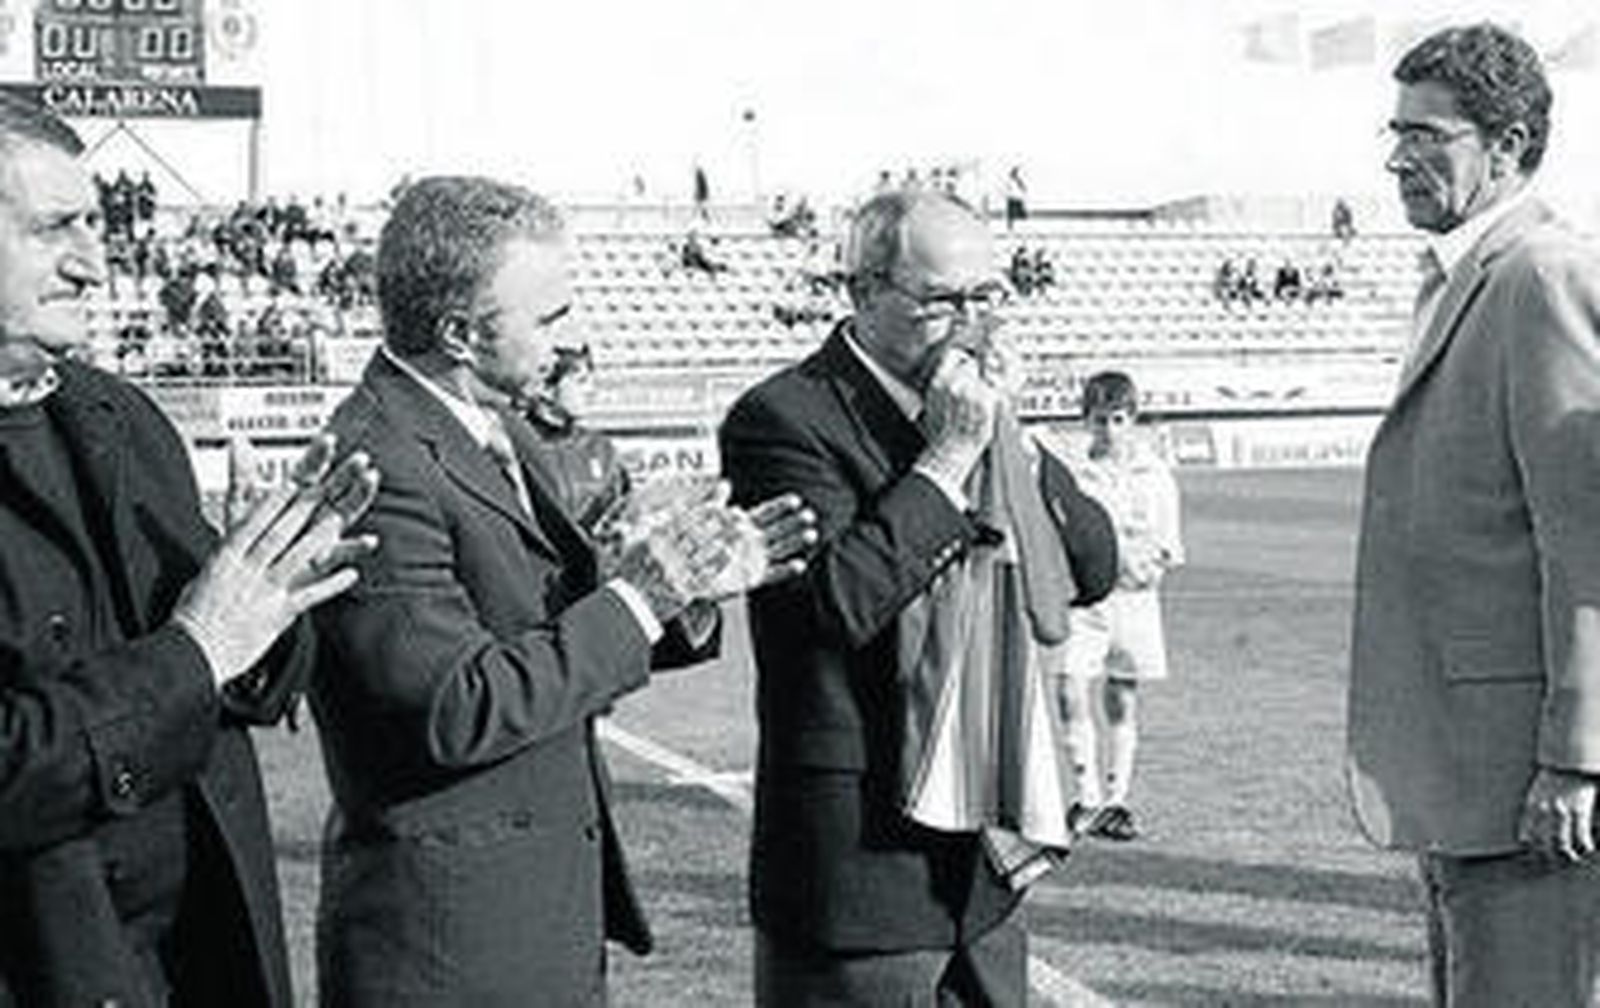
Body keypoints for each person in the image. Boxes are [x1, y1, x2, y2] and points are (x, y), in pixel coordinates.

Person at [309, 175, 814, 1006]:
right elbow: (456, 706)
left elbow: (551, 629)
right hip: (449, 946)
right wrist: (642, 596)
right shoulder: (379, 462)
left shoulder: (495, 428)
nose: (573, 336)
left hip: (533, 916)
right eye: (549, 317)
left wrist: (685, 587)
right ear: (461, 333)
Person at [0, 94, 379, 1007]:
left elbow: (247, 685)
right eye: (56, 229)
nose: (96, 262)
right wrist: (199, 647)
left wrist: (270, 589)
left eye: (95, 222)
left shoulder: (123, 416)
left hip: (204, 961)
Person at [720, 188, 1117, 1006]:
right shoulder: (781, 419)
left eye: (986, 296)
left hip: (983, 867)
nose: (973, 322)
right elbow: (837, 604)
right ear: (863, 292)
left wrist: (1011, 439)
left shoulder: (983, 407)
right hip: (862, 868)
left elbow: (1093, 568)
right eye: (942, 301)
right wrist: (951, 456)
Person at [1347, 23, 1600, 1005]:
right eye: (1395, 131)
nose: (1399, 155)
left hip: (1528, 788)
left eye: (1429, 135)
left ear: (1509, 143)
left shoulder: (1543, 278)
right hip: (1468, 772)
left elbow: (1586, 544)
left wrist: (1577, 759)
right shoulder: (1461, 276)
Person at [1055, 371, 1183, 842]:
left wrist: (1150, 566)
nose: (1109, 429)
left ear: (1133, 419)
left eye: (1118, 419)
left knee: (1121, 695)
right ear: (1085, 421)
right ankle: (1084, 796)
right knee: (1068, 686)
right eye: (1099, 419)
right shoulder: (1074, 474)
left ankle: (1116, 800)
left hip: (1134, 599)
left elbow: (1168, 543)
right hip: (1085, 599)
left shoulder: (1156, 473)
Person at [522, 343, 630, 532]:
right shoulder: (515, 445)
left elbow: (624, 513)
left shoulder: (601, 449)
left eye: (591, 381)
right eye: (581, 381)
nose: (591, 390)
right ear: (546, 388)